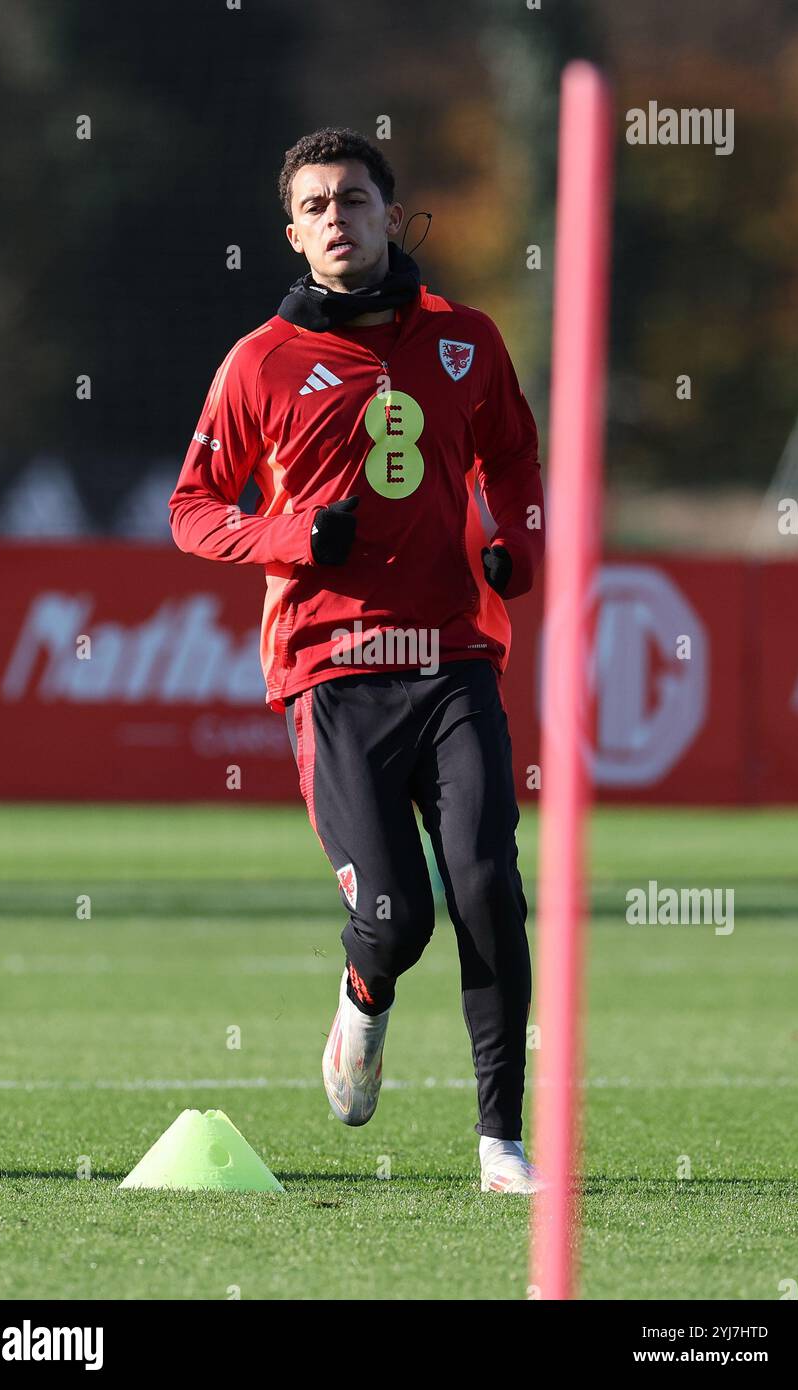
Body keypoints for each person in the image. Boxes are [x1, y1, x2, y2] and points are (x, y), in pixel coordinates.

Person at [169, 127, 545, 1194]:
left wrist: (517, 537)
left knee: (484, 881)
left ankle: (498, 1142)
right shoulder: (259, 362)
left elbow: (513, 457)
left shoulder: (467, 339)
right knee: (394, 916)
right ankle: (363, 998)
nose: (339, 219)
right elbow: (191, 511)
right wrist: (290, 538)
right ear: (292, 231)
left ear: (392, 214)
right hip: (330, 670)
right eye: (317, 206)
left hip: (453, 657)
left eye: (355, 200)